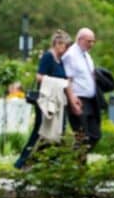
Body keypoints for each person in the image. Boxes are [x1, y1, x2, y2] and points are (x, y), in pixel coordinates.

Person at [16, 30, 72, 169]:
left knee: (58, 131)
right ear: (58, 44)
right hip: (46, 101)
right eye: (65, 45)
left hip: (58, 101)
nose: (66, 49)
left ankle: (48, 161)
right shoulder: (48, 57)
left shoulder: (61, 60)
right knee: (40, 130)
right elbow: (39, 76)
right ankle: (23, 161)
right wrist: (59, 82)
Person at [63, 28, 103, 154]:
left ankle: (75, 161)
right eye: (88, 41)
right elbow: (67, 80)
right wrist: (72, 99)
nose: (91, 44)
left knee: (95, 134)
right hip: (78, 100)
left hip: (91, 101)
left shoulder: (86, 55)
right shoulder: (71, 55)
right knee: (82, 136)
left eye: (93, 41)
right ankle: (77, 166)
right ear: (80, 39)